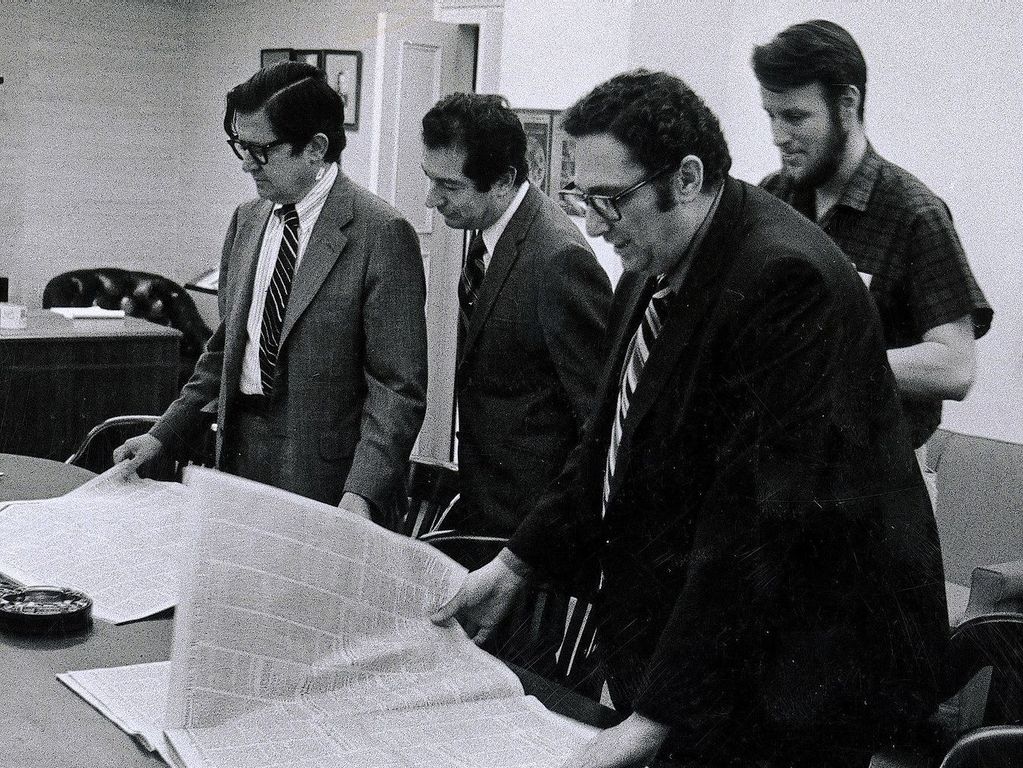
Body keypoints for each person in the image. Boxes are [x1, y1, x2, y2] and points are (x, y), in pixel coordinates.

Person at [432, 70, 950, 768]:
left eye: (609, 200)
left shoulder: (781, 280)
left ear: (685, 177)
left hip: (789, 670)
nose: (590, 222)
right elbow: (605, 446)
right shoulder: (656, 257)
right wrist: (514, 565)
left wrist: (651, 719)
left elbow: (755, 523)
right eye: (582, 197)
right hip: (696, 643)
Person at [114, 62, 427, 517]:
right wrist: (161, 435)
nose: (246, 164)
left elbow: (397, 390)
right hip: (238, 461)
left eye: (260, 150)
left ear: (315, 149)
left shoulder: (381, 233)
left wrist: (362, 493)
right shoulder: (248, 219)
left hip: (328, 483)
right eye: (240, 146)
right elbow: (224, 352)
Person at [753, 20, 992, 496]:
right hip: (780, 477)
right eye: (771, 115)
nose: (779, 135)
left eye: (796, 117)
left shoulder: (914, 214)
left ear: (847, 105)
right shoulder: (770, 199)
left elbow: (955, 365)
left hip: (876, 487)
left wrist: (827, 366)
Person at [420, 94, 612, 544]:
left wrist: (544, 536)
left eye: (448, 186)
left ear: (504, 179)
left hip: (529, 528)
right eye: (431, 180)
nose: (433, 200)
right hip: (484, 504)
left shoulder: (559, 259)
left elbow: (595, 420)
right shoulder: (490, 231)